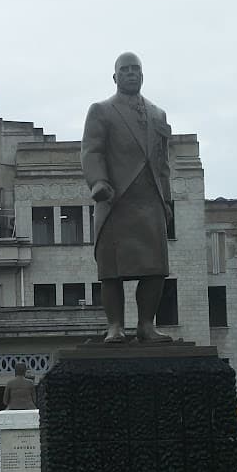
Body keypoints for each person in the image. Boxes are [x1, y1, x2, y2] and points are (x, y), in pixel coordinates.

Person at [80, 51, 175, 343]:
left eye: (136, 69)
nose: (131, 73)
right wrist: (98, 182)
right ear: (115, 77)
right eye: (125, 69)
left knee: (155, 268)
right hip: (116, 199)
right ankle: (115, 326)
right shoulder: (101, 110)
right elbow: (91, 150)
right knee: (112, 270)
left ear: (143, 76)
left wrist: (167, 202)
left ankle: (146, 324)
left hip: (150, 202)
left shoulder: (158, 114)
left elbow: (163, 164)